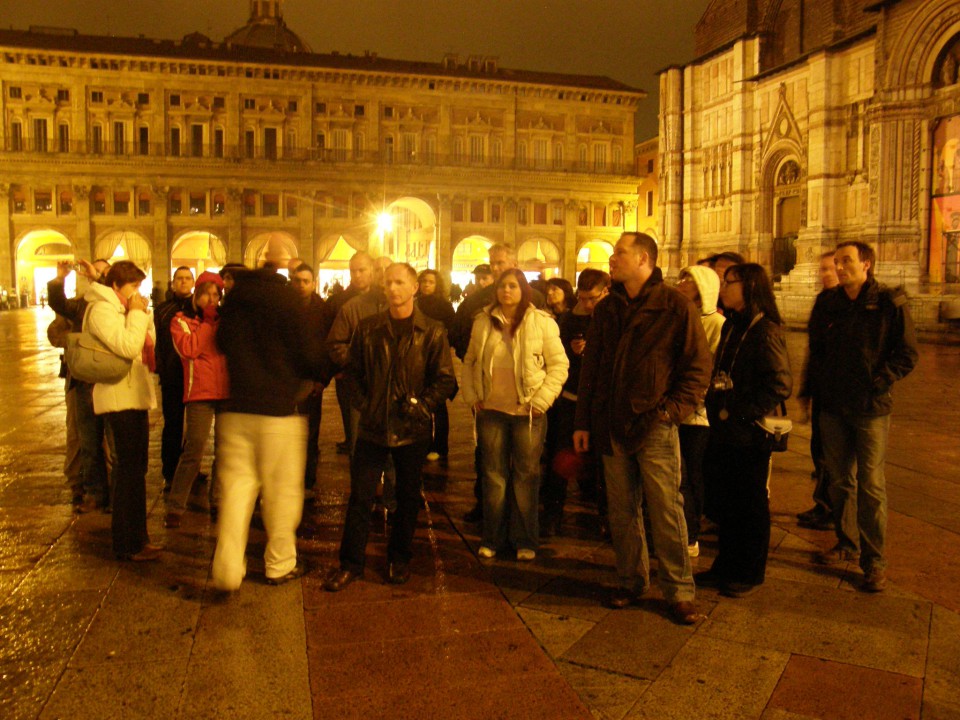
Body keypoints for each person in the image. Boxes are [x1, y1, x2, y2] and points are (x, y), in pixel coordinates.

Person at [573, 232, 711, 625]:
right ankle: (632, 579)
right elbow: (592, 370)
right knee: (621, 509)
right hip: (611, 422)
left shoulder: (674, 305)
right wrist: (583, 421)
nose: (612, 259)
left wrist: (671, 411)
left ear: (644, 260)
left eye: (619, 253)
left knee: (666, 510)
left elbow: (698, 368)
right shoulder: (607, 309)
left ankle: (679, 591)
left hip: (654, 424)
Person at [324, 263, 457, 590]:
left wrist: (422, 406)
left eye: (400, 282)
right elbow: (353, 372)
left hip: (411, 430)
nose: (393, 288)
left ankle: (399, 558)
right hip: (372, 427)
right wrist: (365, 403)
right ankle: (350, 563)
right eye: (388, 283)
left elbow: (445, 380)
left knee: (408, 497)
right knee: (361, 497)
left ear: (414, 287)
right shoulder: (369, 328)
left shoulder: (433, 331)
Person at [810, 241, 918, 592]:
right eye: (837, 262)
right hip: (833, 406)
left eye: (847, 262)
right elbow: (818, 351)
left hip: (870, 408)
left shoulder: (888, 302)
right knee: (839, 479)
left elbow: (907, 353)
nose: (840, 268)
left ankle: (874, 560)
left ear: (866, 264)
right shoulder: (828, 302)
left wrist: (880, 380)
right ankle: (847, 543)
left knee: (871, 484)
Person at [211, 266, 328, 591]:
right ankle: (279, 564)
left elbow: (220, 341)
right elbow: (310, 354)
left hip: (236, 408)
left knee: (236, 492)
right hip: (278, 411)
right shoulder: (286, 299)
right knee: (281, 493)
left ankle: (227, 569)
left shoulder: (235, 300)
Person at [697, 264, 792, 598]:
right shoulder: (733, 325)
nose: (723, 287)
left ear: (749, 287)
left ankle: (749, 572)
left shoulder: (765, 329)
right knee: (726, 501)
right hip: (724, 428)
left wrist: (741, 413)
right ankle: (725, 564)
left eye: (730, 282)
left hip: (748, 433)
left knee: (750, 504)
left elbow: (780, 384)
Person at [462, 269, 568, 561]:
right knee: (493, 476)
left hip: (528, 412)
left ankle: (525, 539)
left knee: (526, 477)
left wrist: (542, 401)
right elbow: (469, 361)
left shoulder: (541, 323)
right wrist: (472, 397)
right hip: (491, 410)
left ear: (524, 290)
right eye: (502, 286)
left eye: (512, 286)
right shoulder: (483, 321)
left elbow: (559, 365)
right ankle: (493, 537)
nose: (506, 291)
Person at [449, 244, 546, 522]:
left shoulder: (534, 298)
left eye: (501, 262)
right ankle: (487, 506)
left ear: (514, 263)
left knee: (525, 460)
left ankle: (521, 513)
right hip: (487, 389)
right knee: (487, 454)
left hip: (524, 392)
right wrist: (476, 362)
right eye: (492, 263)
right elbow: (458, 335)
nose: (496, 268)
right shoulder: (475, 300)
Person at [84, 261, 161, 562]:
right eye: (132, 287)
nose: (137, 293)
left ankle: (138, 537)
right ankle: (127, 542)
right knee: (128, 471)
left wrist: (140, 313)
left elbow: (148, 340)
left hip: (133, 395)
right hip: (119, 397)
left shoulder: (121, 310)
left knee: (136, 470)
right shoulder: (102, 311)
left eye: (139, 287)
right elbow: (129, 347)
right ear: (116, 286)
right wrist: (137, 312)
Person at [541, 269, 609, 538]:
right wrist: (573, 350)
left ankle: (604, 516)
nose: (588, 304)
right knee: (560, 457)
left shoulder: (616, 316)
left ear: (606, 291)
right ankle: (553, 513)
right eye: (583, 298)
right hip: (570, 399)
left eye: (593, 298)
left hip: (602, 403)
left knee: (604, 463)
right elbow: (555, 355)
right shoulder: (569, 319)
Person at [48, 258, 115, 512]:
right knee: (87, 441)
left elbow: (111, 293)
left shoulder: (114, 304)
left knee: (112, 443)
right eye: (93, 272)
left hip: (109, 380)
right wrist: (60, 278)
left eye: (102, 274)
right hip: (83, 381)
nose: (94, 276)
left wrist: (96, 278)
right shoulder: (81, 306)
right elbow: (58, 304)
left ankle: (112, 492)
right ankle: (93, 492)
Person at [164, 272, 229, 529]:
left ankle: (218, 501)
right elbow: (189, 349)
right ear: (197, 294)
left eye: (216, 295)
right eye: (207, 294)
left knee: (224, 452)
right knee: (194, 450)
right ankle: (176, 505)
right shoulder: (181, 321)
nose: (211, 300)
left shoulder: (224, 321)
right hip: (199, 393)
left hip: (225, 393)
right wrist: (206, 324)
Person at [675, 264, 726, 552]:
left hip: (698, 414)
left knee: (691, 474)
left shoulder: (715, 324)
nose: (681, 283)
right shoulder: (681, 317)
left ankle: (690, 534)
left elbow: (711, 369)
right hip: (675, 409)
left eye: (689, 280)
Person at [796, 251, 840, 531]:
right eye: (821, 269)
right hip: (821, 389)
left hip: (838, 393)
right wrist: (806, 390)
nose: (823, 274)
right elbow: (814, 350)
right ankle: (822, 503)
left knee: (832, 455)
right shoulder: (822, 301)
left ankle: (832, 509)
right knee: (818, 450)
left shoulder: (845, 305)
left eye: (829, 269)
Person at [325, 252, 376, 454]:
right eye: (353, 271)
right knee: (353, 425)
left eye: (362, 270)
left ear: (371, 270)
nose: (357, 275)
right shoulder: (339, 302)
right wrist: (337, 368)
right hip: (349, 375)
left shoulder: (383, 299)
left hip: (377, 377)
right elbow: (330, 339)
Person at [290, 263, 331, 494]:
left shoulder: (322, 310)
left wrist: (322, 379)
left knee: (310, 433)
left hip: (311, 379)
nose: (302, 285)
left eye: (306, 281)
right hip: (287, 379)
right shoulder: (285, 306)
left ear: (314, 283)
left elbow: (327, 347)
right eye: (298, 281)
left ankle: (307, 480)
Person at [154, 266, 195, 492]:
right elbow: (159, 341)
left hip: (194, 375)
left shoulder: (197, 308)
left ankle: (190, 470)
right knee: (173, 424)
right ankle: (170, 471)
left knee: (195, 427)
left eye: (187, 278)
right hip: (172, 375)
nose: (183, 282)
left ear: (193, 282)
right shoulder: (162, 310)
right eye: (179, 279)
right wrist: (161, 367)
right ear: (173, 283)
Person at [415, 269, 456, 463]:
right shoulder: (415, 303)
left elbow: (452, 330)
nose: (426, 285)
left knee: (438, 405)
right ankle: (422, 443)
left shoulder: (444, 306)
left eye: (430, 282)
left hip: (437, 358)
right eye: (423, 281)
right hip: (418, 358)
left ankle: (440, 445)